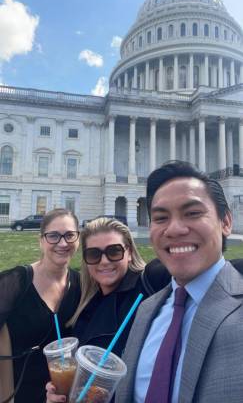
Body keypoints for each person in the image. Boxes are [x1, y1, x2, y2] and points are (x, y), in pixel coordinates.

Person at [115, 160, 243, 403]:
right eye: (161, 218)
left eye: (192, 213)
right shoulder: (145, 310)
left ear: (225, 222)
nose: (174, 230)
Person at [46, 217, 172, 403]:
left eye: (114, 251)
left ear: (129, 252)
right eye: (94, 254)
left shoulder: (149, 283)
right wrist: (60, 393)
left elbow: (202, 268)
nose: (104, 261)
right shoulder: (84, 299)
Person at [0, 208, 81, 403]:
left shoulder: (82, 285)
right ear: (41, 240)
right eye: (53, 236)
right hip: (21, 395)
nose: (62, 243)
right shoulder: (14, 283)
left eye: (70, 235)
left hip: (65, 396)